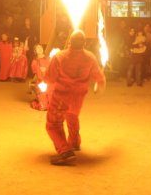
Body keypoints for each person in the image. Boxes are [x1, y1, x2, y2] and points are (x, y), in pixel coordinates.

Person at [44, 30, 106, 165]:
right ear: (84, 43)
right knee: (72, 115)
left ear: (70, 41)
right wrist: (100, 86)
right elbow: (99, 78)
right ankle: (74, 142)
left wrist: (44, 72)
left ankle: (65, 151)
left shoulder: (60, 57)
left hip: (61, 96)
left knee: (53, 125)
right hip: (78, 97)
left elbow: (49, 78)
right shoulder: (90, 57)